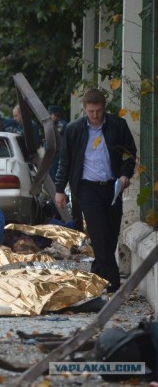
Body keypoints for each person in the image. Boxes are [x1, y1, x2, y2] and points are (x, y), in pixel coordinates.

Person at [54, 89, 136, 293]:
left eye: (98, 111)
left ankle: (97, 274)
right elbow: (65, 161)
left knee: (110, 234)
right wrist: (59, 189)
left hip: (112, 186)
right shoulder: (74, 130)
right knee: (99, 234)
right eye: (91, 111)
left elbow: (130, 153)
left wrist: (125, 175)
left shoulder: (117, 126)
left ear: (104, 108)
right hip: (87, 188)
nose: (95, 115)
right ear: (85, 109)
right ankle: (113, 283)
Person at [48, 104, 67, 180]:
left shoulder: (61, 124)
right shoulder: (53, 124)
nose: (49, 116)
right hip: (53, 154)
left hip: (59, 153)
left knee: (56, 175)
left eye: (51, 114)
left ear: (56, 115)